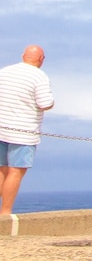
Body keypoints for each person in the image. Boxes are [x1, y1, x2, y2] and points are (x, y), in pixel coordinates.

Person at [0, 45, 54, 215]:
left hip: (1, 127)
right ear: (41, 59)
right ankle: (5, 213)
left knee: (1, 169)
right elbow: (45, 103)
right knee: (15, 172)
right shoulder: (39, 76)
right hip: (23, 132)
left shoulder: (5, 72)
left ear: (23, 56)